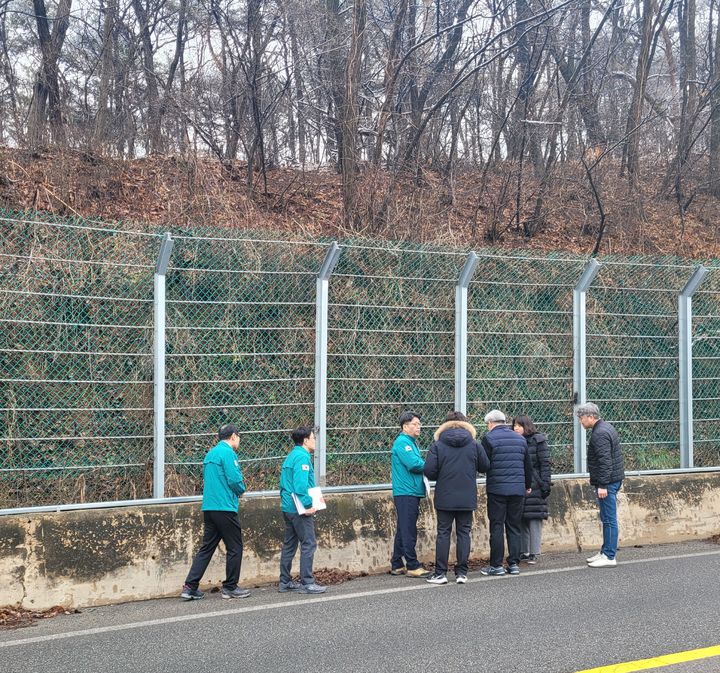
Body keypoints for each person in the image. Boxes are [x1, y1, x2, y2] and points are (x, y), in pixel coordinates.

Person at [181, 423, 250, 600]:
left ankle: (190, 586)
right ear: (234, 436)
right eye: (238, 437)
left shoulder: (211, 454)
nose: (239, 440)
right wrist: (241, 490)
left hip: (210, 507)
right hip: (225, 507)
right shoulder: (228, 453)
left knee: (207, 547)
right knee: (235, 547)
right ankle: (230, 587)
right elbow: (234, 479)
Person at [424, 411, 490, 585]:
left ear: (445, 425)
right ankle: (462, 573)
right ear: (466, 424)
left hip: (445, 495)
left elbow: (429, 471)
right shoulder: (474, 443)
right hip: (467, 495)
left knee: (443, 533)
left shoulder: (438, 444)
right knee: (464, 533)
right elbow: (485, 466)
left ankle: (440, 573)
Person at [479, 409, 532, 577]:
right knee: (514, 526)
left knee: (497, 525)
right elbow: (527, 465)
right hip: (517, 489)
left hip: (497, 489)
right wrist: (527, 485)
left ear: (490, 423)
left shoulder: (488, 439)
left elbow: (484, 465)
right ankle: (514, 564)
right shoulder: (520, 439)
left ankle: (496, 565)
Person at [278, 426, 327, 594]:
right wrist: (308, 505)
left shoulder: (292, 456)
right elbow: (300, 486)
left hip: (288, 507)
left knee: (290, 544)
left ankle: (284, 581)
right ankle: (307, 582)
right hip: (299, 508)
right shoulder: (302, 458)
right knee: (309, 543)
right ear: (306, 440)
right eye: (313, 438)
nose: (315, 441)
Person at [576, 402, 625, 568]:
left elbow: (605, 462)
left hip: (608, 482)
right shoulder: (605, 427)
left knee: (609, 519)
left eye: (581, 418)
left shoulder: (600, 434)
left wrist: (603, 485)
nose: (580, 422)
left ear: (591, 417)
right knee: (606, 518)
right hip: (612, 480)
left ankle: (610, 556)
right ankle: (605, 551)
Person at [390, 411, 430, 578]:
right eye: (415, 424)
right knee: (408, 529)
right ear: (405, 427)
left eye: (419, 424)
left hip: (409, 490)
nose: (418, 427)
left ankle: (397, 563)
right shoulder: (403, 443)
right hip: (406, 491)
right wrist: (431, 464)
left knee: (403, 528)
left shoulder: (410, 442)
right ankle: (412, 565)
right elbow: (414, 464)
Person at [512, 415, 551, 565]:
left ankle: (534, 552)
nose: (516, 428)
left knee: (534, 518)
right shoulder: (515, 441)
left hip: (536, 484)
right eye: (514, 425)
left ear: (527, 426)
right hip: (520, 482)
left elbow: (545, 464)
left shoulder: (538, 441)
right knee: (521, 517)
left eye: (519, 426)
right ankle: (524, 551)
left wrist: (545, 484)